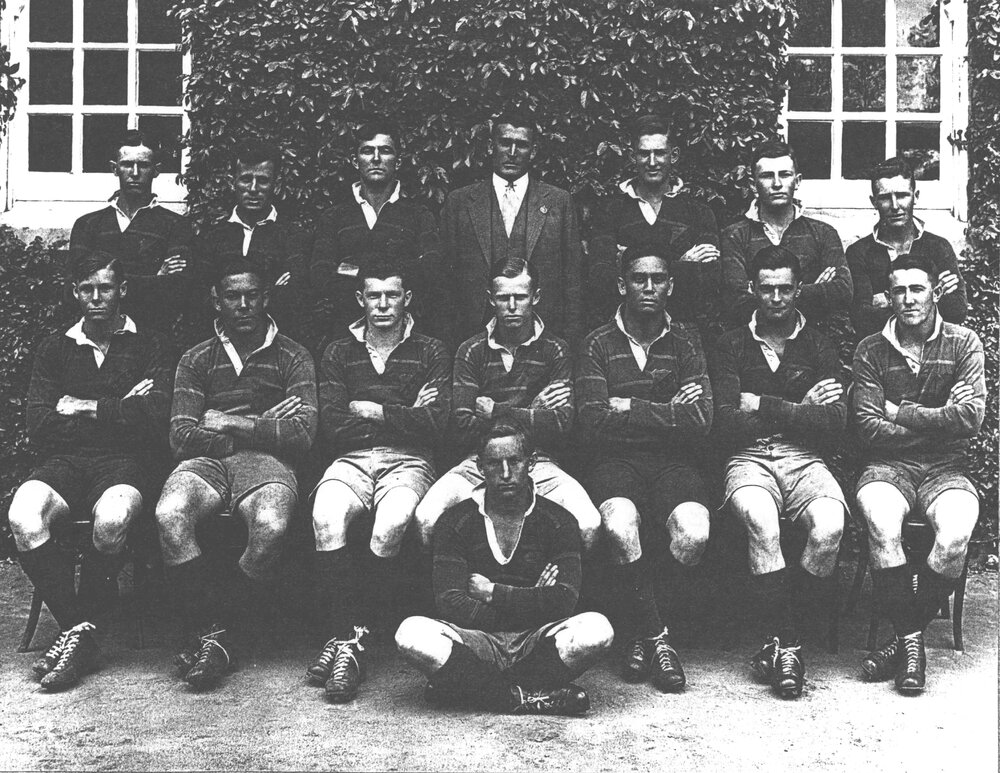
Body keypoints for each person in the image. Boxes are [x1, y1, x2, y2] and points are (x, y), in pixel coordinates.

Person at [9, 252, 172, 691]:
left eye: (105, 287)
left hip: (126, 462)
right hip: (63, 463)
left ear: (123, 290)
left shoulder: (150, 344)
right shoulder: (55, 346)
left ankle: (76, 636)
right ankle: (82, 629)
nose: (96, 298)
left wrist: (82, 405)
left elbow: (155, 417)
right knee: (23, 516)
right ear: (75, 292)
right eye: (87, 289)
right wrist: (123, 404)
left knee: (113, 519)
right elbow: (39, 423)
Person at [155, 259, 318, 689]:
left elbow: (302, 436)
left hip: (268, 465)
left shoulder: (294, 356)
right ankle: (208, 629)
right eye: (232, 296)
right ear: (217, 300)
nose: (243, 305)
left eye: (252, 295)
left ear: (266, 298)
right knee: (171, 513)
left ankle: (226, 632)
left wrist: (226, 421)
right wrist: (263, 426)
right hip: (206, 463)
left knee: (271, 524)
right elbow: (180, 436)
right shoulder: (195, 359)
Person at [395, 421, 614, 716]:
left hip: (535, 639)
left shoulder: (559, 521)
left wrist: (492, 592)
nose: (507, 474)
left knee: (598, 630)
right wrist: (532, 597)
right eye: (495, 464)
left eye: (515, 462)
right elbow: (449, 603)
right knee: (410, 634)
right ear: (480, 467)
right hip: (477, 640)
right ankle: (523, 696)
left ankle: (467, 687)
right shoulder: (455, 521)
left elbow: (564, 601)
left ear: (531, 463)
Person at [308, 258, 450, 703]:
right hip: (349, 459)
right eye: (374, 295)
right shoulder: (337, 351)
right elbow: (331, 424)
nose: (383, 304)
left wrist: (370, 409)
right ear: (360, 299)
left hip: (408, 461)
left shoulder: (431, 350)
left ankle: (354, 642)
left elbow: (435, 424)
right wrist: (405, 412)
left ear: (407, 298)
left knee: (392, 520)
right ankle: (341, 636)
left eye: (393, 294)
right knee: (326, 515)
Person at [710, 245, 847, 699]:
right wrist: (799, 407)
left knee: (830, 527)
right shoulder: (730, 343)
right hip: (748, 456)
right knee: (760, 520)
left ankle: (782, 640)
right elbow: (727, 421)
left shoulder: (820, 344)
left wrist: (765, 404)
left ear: (798, 290)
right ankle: (788, 645)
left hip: (805, 457)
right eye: (765, 288)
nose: (775, 298)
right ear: (752, 290)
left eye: (784, 289)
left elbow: (834, 422)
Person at [575, 244, 713, 693]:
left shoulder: (687, 341)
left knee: (693, 532)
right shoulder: (597, 343)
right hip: (614, 462)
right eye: (639, 278)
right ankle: (660, 639)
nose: (649, 287)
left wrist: (629, 406)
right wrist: (666, 410)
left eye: (658, 279)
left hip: (675, 462)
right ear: (622, 285)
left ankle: (644, 633)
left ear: (671, 286)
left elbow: (700, 421)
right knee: (619, 525)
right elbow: (593, 422)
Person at [852, 255, 984, 694]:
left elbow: (971, 418)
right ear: (888, 297)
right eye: (899, 291)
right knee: (880, 519)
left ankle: (902, 641)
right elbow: (869, 426)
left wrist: (902, 412)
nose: (908, 300)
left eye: (917, 289)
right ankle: (914, 647)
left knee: (955, 534)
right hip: (887, 467)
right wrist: (940, 417)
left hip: (948, 468)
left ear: (935, 292)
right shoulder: (871, 348)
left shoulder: (964, 343)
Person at [414, 258, 600, 554]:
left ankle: (560, 592)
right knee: (426, 518)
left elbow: (563, 425)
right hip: (478, 462)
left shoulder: (556, 350)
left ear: (535, 297)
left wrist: (498, 412)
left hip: (538, 462)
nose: (512, 306)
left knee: (588, 523)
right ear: (491, 299)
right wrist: (533, 409)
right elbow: (460, 424)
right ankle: (448, 592)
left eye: (521, 297)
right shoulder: (471, 350)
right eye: (503, 297)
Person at [440, 110, 583, 347]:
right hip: (472, 339)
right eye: (505, 143)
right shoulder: (460, 202)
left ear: (534, 151)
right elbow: (445, 282)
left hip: (543, 340)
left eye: (522, 145)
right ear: (490, 147)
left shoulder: (559, 201)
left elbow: (573, 281)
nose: (513, 153)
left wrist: (569, 343)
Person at [309, 118, 443, 340]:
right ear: (355, 161)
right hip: (344, 335)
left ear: (398, 162)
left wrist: (351, 269)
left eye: (386, 151)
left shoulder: (419, 215)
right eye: (368, 151)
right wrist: (393, 269)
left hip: (405, 337)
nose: (376, 159)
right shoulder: (334, 217)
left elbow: (429, 272)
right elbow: (320, 275)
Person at [589, 114, 721, 337]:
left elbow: (709, 284)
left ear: (674, 155)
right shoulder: (610, 211)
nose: (652, 162)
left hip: (683, 334)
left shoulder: (698, 213)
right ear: (632, 156)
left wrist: (629, 263)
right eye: (644, 153)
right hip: (623, 335)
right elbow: (601, 280)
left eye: (659, 153)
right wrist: (683, 264)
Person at [721, 141, 852, 337]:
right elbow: (737, 300)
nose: (776, 184)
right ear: (753, 184)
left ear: (797, 181)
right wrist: (812, 289)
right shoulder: (735, 235)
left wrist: (764, 293)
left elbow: (842, 292)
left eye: (784, 174)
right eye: (767, 176)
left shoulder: (823, 233)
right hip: (752, 346)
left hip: (812, 342)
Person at [69, 129, 194, 333]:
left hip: (152, 335)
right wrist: (155, 277)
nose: (135, 173)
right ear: (114, 168)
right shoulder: (88, 225)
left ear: (156, 170)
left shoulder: (176, 225)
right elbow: (73, 290)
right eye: (127, 164)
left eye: (143, 165)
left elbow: (177, 292)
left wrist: (107, 284)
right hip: (96, 335)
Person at [195, 141, 310, 340]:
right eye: (246, 179)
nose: (254, 188)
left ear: (275, 183)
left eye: (263, 180)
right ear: (233, 182)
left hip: (278, 342)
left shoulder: (294, 236)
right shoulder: (212, 237)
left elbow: (296, 296)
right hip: (219, 344)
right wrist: (272, 289)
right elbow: (199, 295)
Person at [846, 157, 968, 339]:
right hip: (881, 353)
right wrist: (931, 296)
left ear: (915, 196)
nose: (895, 206)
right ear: (874, 202)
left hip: (934, 350)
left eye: (902, 195)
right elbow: (862, 320)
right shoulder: (859, 252)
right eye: (886, 198)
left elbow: (957, 311)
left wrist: (888, 302)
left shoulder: (938, 247)